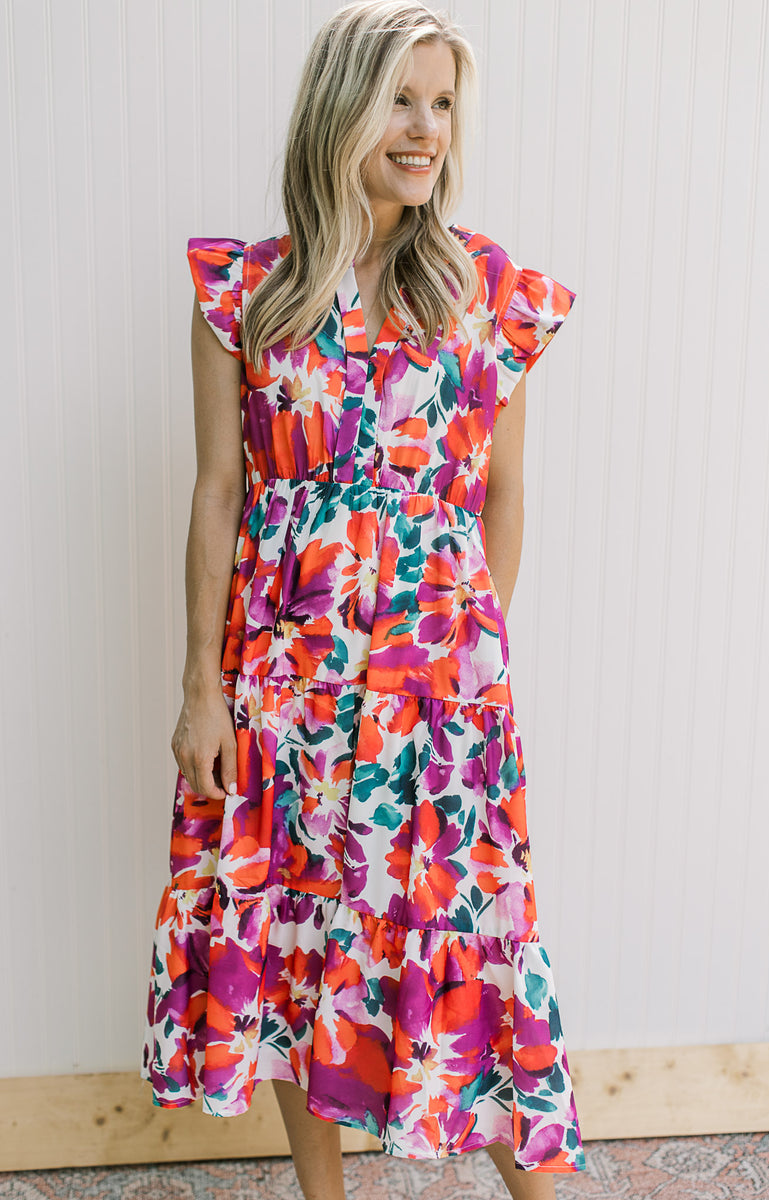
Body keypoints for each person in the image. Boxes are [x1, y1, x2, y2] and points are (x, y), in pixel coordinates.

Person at [141, 2, 585, 1197]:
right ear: (339, 106)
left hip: (432, 696)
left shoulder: (487, 289)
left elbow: (501, 496)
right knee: (293, 944)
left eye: (442, 104)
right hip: (281, 685)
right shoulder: (246, 296)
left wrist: (468, 670)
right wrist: (200, 690)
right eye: (402, 97)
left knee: (462, 952)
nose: (425, 128)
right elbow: (218, 494)